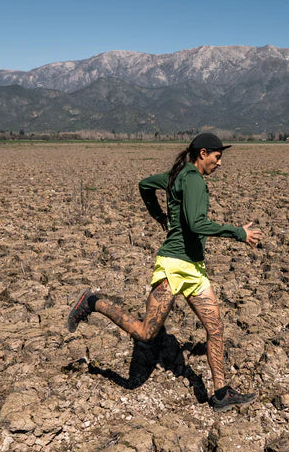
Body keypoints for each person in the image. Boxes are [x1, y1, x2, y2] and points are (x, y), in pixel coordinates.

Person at [67, 132, 264, 412]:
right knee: (146, 334)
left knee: (215, 328)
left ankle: (220, 393)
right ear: (203, 153)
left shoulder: (176, 175)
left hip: (194, 268)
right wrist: (238, 233)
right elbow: (196, 224)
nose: (220, 164)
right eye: (218, 158)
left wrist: (158, 215)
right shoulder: (194, 179)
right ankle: (91, 302)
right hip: (174, 265)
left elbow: (145, 185)